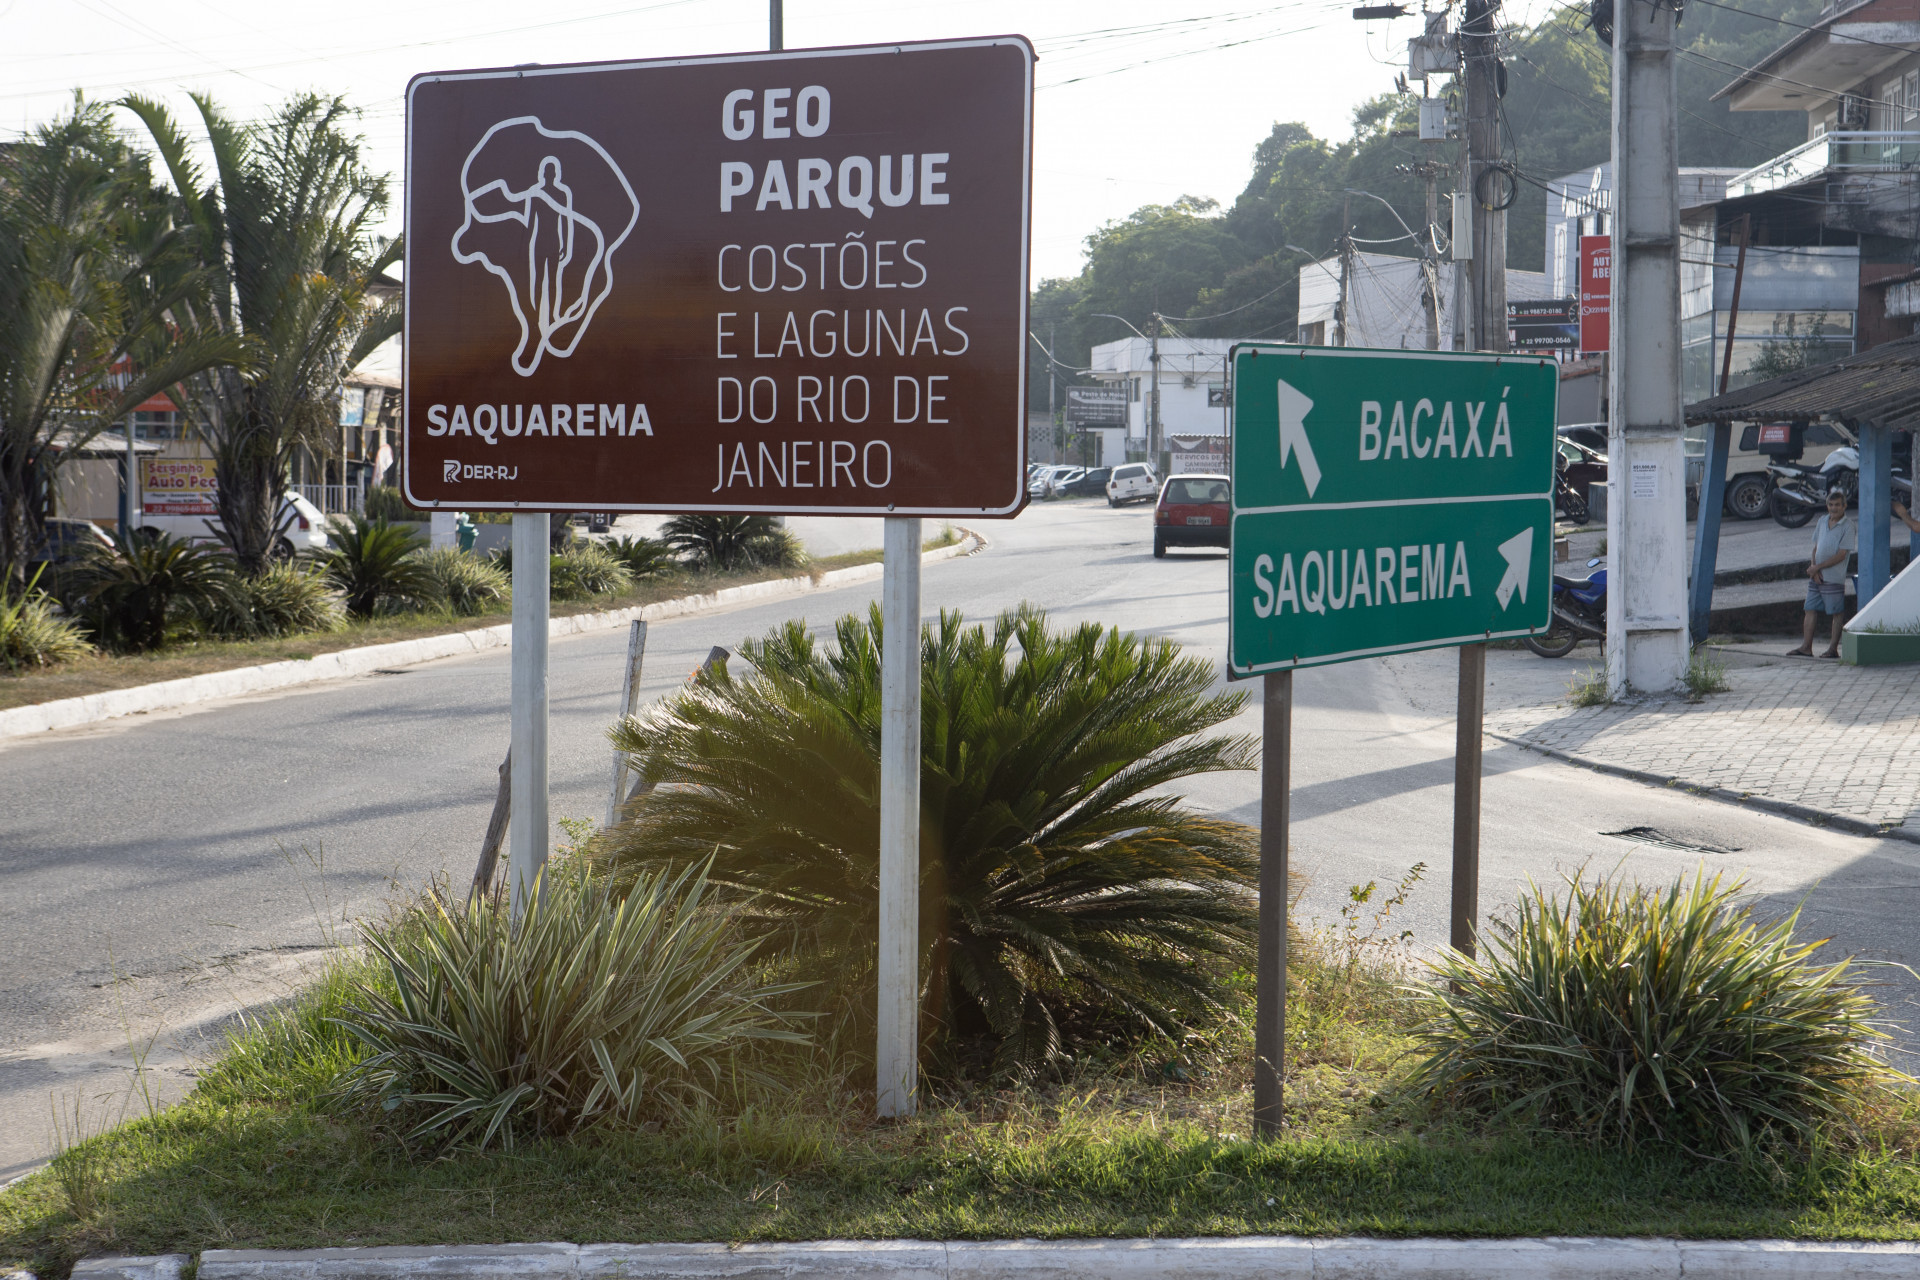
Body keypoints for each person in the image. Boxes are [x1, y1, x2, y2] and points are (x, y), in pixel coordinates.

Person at [1789, 489, 1856, 658]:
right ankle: (1806, 647)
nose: (1834, 508)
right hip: (1816, 575)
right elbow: (1816, 548)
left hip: (1834, 577)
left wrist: (1818, 567)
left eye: (1837, 505)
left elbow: (1842, 555)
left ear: (1844, 506)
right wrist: (1814, 568)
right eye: (1831, 505)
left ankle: (1833, 649)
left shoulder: (1848, 526)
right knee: (1809, 608)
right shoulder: (1822, 521)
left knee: (1836, 612)